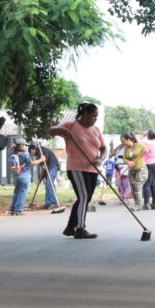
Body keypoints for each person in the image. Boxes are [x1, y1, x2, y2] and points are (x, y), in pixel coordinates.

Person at [48, 102, 106, 239]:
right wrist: (60, 130)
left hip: (92, 168)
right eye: (93, 116)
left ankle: (70, 227)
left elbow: (103, 148)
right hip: (76, 168)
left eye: (96, 117)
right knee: (84, 197)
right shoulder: (71, 126)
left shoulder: (96, 130)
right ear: (85, 114)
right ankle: (80, 228)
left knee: (84, 199)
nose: (95, 119)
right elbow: (50, 131)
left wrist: (100, 159)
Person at [28, 142, 63, 212]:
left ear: (32, 150)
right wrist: (41, 177)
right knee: (49, 184)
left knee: (49, 183)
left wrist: (43, 165)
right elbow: (43, 167)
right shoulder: (38, 154)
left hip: (53, 166)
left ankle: (53, 203)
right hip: (48, 168)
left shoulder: (41, 150)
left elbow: (45, 161)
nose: (31, 155)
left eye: (30, 153)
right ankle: (48, 203)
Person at [139, 129, 155, 210]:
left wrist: (144, 136)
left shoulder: (147, 142)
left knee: (147, 185)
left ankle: (146, 204)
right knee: (154, 184)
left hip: (150, 164)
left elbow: (138, 142)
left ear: (148, 136)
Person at [121, 133, 147, 209]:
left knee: (137, 186)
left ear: (129, 139)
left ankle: (138, 205)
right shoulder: (126, 148)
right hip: (132, 170)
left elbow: (149, 150)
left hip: (141, 169)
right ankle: (136, 204)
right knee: (133, 187)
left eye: (124, 141)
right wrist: (128, 162)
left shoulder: (139, 146)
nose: (123, 143)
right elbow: (124, 158)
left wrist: (147, 150)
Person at [7, 139, 32, 216]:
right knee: (22, 192)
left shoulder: (12, 153)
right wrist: (41, 159)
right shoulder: (25, 154)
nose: (26, 147)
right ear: (21, 145)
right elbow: (31, 163)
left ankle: (13, 209)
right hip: (24, 175)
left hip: (16, 175)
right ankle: (18, 210)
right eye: (25, 145)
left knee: (16, 192)